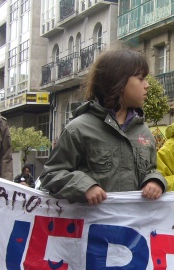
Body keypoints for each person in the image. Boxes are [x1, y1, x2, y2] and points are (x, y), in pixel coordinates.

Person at [38, 48, 166, 204]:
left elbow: (151, 170)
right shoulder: (78, 129)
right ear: (119, 82)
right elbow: (51, 174)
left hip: (133, 225)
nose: (147, 85)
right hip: (92, 225)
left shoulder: (144, 132)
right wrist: (84, 186)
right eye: (141, 79)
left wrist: (155, 181)